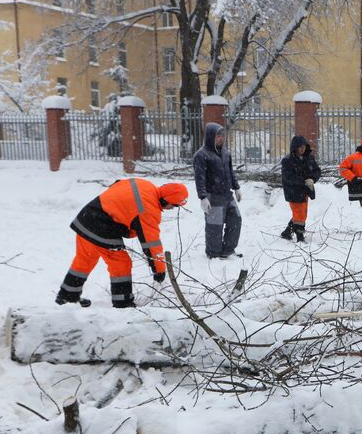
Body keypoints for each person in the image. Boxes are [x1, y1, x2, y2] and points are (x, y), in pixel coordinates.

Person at [57, 178, 189, 308]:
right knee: (121, 263)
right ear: (165, 200)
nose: (173, 208)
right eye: (175, 205)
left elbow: (117, 184)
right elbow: (151, 243)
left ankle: (68, 295)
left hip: (86, 218)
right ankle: (123, 303)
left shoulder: (143, 184)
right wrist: (159, 270)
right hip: (102, 226)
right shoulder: (148, 209)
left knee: (85, 258)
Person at [193, 122, 242, 259]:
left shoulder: (226, 153)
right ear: (210, 137)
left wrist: (236, 187)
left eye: (223, 136)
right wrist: (203, 197)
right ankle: (213, 253)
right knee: (214, 226)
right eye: (218, 136)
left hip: (227, 195)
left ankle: (228, 249)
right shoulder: (201, 155)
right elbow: (200, 178)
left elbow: (230, 172)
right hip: (213, 196)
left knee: (236, 220)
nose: (221, 138)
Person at [280, 134, 320, 242]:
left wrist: (312, 179)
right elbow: (288, 176)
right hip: (293, 191)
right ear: (295, 147)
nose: (302, 148)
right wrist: (303, 181)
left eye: (304, 146)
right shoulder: (287, 160)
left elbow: (316, 170)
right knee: (299, 214)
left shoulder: (309, 158)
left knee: (302, 213)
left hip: (305, 191)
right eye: (300, 146)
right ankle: (300, 237)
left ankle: (287, 232)